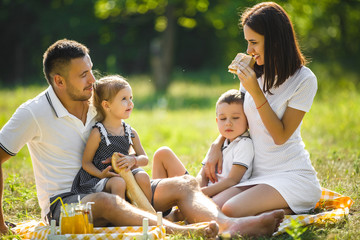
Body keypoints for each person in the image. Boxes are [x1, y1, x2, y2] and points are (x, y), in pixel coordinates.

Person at [0, 38, 285, 238]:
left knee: (184, 183)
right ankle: (178, 231)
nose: (92, 80)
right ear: (59, 81)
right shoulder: (33, 113)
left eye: (91, 70)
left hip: (117, 186)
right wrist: (0, 225)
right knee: (106, 201)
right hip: (65, 205)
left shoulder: (98, 99)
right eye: (83, 75)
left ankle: (229, 227)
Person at [203, 2, 322, 218]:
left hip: (292, 175)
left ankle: (293, 209)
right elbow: (241, 123)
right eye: (247, 42)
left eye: (254, 43)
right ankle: (273, 211)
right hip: (257, 176)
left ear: (275, 42)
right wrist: (216, 145)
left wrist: (256, 92)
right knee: (213, 205)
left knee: (230, 209)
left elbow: (280, 136)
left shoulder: (304, 80)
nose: (249, 51)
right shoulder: (253, 73)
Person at [152, 89, 254, 201]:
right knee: (162, 153)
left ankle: (169, 212)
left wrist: (199, 194)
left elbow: (232, 180)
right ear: (217, 121)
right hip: (201, 192)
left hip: (219, 195)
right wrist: (194, 190)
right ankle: (159, 204)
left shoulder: (244, 144)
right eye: (223, 119)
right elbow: (203, 174)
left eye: (235, 118)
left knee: (182, 211)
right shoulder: (222, 142)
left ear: (248, 121)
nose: (228, 123)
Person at [71, 75, 152, 203]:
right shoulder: (98, 133)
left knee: (143, 176)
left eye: (131, 98)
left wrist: (133, 160)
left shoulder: (130, 132)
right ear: (107, 105)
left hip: (126, 173)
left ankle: (149, 211)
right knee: (118, 183)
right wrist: (101, 174)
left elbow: (145, 159)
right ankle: (120, 216)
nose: (130, 103)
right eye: (124, 99)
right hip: (102, 178)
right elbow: (86, 163)